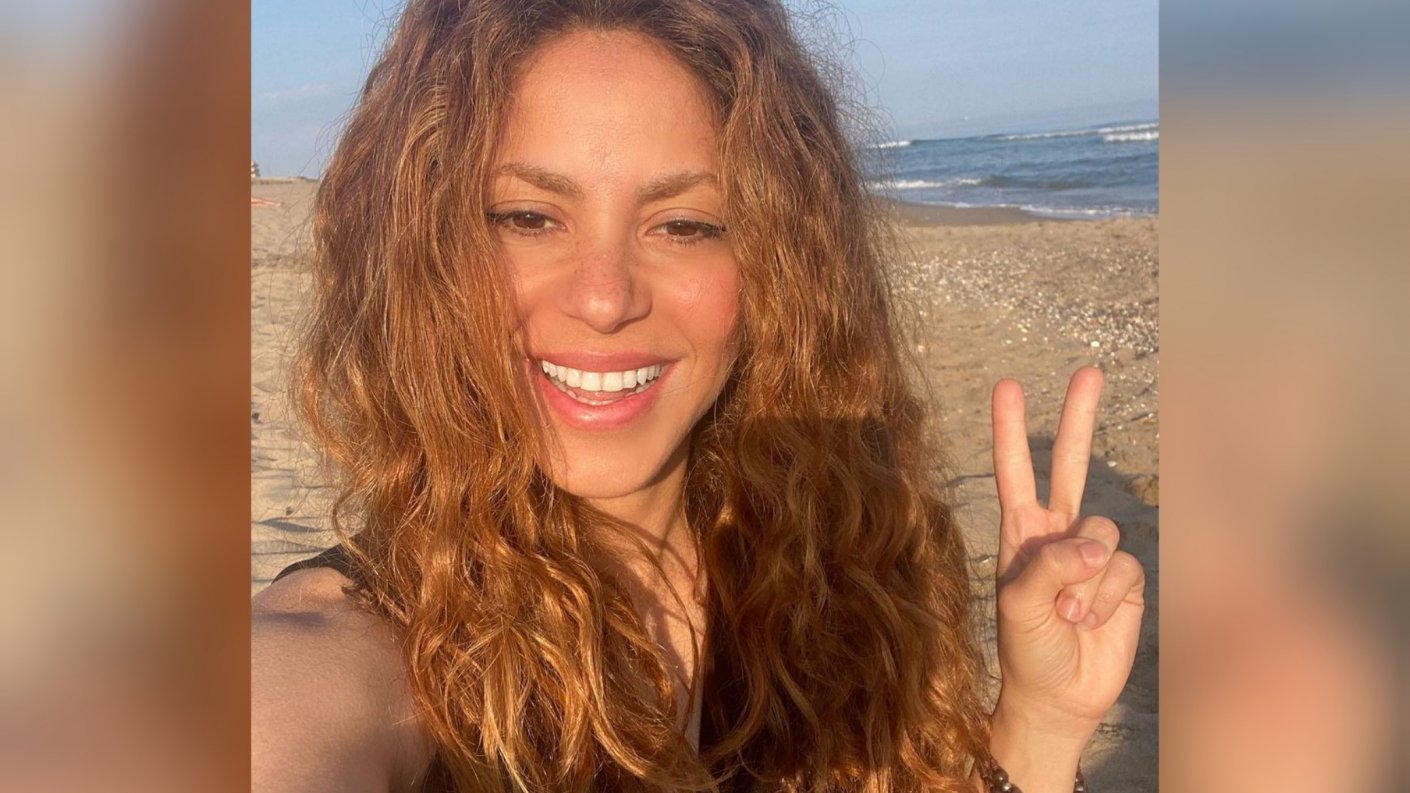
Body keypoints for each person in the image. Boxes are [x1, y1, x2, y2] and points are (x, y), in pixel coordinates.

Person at [251, 1, 1146, 791]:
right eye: (528, 217)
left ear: (778, 268)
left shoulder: (829, 569)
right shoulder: (357, 652)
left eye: (684, 225)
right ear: (429, 250)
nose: (605, 298)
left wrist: (1039, 722)